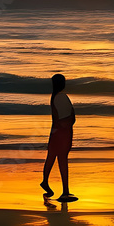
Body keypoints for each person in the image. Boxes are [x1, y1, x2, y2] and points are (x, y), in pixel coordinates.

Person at [40, 74, 77, 202]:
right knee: (61, 160)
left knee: (52, 157)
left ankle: (47, 182)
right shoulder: (61, 97)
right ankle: (64, 190)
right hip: (62, 133)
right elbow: (67, 117)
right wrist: (70, 119)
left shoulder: (55, 97)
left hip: (56, 132)